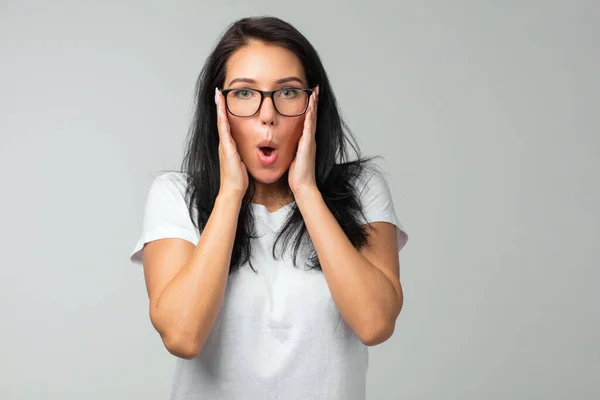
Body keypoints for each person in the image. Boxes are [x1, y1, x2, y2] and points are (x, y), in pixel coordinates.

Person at [129, 15, 408, 400]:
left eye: (288, 92)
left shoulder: (362, 189)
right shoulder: (177, 194)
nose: (267, 114)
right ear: (218, 107)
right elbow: (182, 335)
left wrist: (306, 191)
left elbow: (375, 324)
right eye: (244, 93)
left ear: (313, 102)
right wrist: (230, 193)